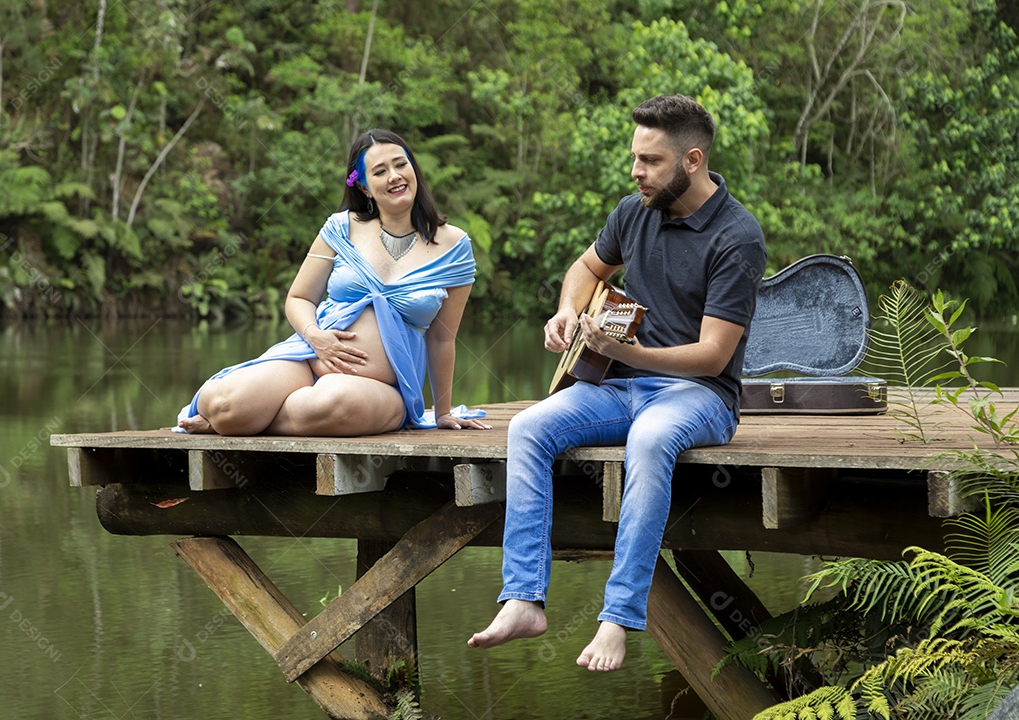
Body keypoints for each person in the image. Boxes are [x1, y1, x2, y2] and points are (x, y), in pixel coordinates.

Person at [468, 94, 767, 671]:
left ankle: (618, 618)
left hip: (700, 397)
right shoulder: (633, 212)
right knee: (528, 427)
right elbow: (586, 269)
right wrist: (566, 311)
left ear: (693, 160)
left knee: (650, 439)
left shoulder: (738, 235)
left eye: (650, 160)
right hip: (618, 385)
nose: (636, 171)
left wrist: (629, 350)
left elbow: (712, 357)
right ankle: (524, 598)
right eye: (635, 157)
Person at [176, 129, 491, 436]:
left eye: (400, 164)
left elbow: (441, 339)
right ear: (365, 187)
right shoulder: (341, 227)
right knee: (227, 404)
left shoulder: (454, 246)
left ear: (414, 170)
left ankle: (247, 421)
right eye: (379, 171)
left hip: (382, 388)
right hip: (307, 360)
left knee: (328, 402)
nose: (394, 175)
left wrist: (444, 412)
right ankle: (235, 417)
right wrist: (316, 338)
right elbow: (299, 298)